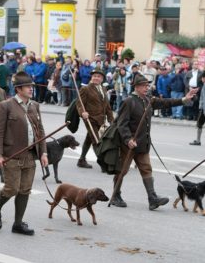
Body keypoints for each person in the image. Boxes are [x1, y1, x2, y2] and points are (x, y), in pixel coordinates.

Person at [110, 74, 197, 209]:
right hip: (129, 145)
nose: (147, 88)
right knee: (122, 170)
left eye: (147, 85)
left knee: (146, 169)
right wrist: (128, 140)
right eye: (144, 86)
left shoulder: (148, 100)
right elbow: (121, 124)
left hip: (143, 144)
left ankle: (152, 198)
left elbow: (166, 102)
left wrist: (184, 99)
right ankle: (116, 196)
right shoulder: (129, 101)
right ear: (137, 87)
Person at [0, 71, 48, 235]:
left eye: (31, 87)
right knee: (11, 188)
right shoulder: (5, 106)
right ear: (18, 89)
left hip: (30, 155)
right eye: (27, 87)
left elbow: (40, 131)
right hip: (11, 155)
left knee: (25, 190)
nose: (31, 89)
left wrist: (43, 153)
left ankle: (18, 223)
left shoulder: (35, 105)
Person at [77, 69, 114, 168]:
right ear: (91, 78)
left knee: (89, 138)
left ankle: (81, 160)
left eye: (98, 76)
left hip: (101, 119)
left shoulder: (103, 89)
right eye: (94, 76)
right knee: (96, 140)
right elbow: (79, 104)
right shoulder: (85, 89)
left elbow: (107, 106)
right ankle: (103, 163)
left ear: (102, 79)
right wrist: (82, 112)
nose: (96, 78)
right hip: (90, 118)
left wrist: (111, 120)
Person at [189, 71, 205, 145]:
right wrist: (201, 107)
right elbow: (202, 98)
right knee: (199, 124)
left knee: (199, 124)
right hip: (202, 108)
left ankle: (198, 140)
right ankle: (198, 140)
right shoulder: (203, 86)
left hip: (203, 108)